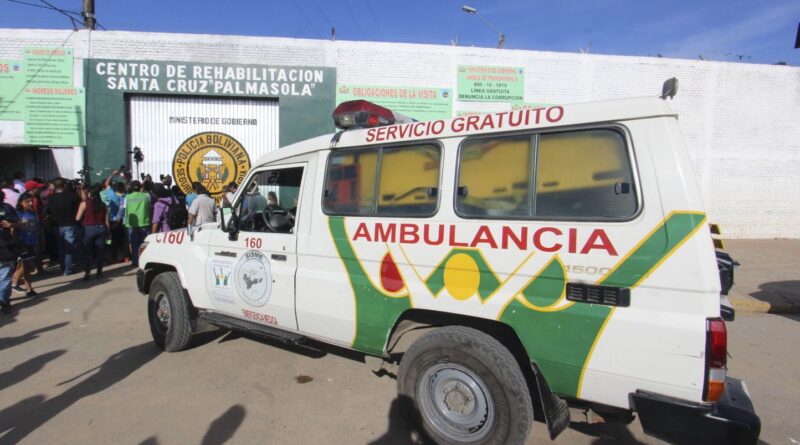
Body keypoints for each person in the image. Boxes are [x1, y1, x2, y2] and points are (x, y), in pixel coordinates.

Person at [45, 180, 82, 276]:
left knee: (61, 247)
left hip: (56, 225)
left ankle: (64, 267)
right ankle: (68, 269)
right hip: (71, 224)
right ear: (64, 185)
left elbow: (45, 212)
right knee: (69, 247)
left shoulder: (51, 198)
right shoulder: (73, 197)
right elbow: (80, 208)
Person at [77, 184, 109, 280]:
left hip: (89, 229)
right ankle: (99, 272)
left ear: (90, 194)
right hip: (101, 228)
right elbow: (106, 220)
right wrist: (108, 232)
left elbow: (77, 218)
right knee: (100, 251)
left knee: (87, 252)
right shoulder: (103, 205)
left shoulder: (84, 204)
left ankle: (87, 272)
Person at [11, 193, 38, 296]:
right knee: (26, 266)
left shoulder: (33, 214)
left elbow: (37, 229)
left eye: (31, 201)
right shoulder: (17, 214)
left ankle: (15, 282)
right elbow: (12, 229)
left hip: (32, 242)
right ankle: (29, 288)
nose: (30, 203)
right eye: (27, 201)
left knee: (27, 266)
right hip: (22, 243)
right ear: (21, 202)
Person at [0, 189, 22, 314]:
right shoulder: (7, 208)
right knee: (5, 275)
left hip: (6, 246)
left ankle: (3, 300)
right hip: (6, 246)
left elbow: (17, 224)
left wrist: (10, 225)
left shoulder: (7, 208)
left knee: (5, 274)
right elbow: (18, 224)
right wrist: (11, 225)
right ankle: (3, 300)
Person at [121, 180, 150, 267]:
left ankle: (135, 261)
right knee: (145, 244)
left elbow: (124, 209)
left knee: (134, 244)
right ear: (140, 187)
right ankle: (146, 261)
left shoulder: (127, 197)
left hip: (131, 224)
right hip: (144, 222)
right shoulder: (146, 196)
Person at [107, 181, 128, 263]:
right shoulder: (126, 197)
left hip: (114, 221)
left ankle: (113, 258)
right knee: (124, 240)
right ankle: (127, 257)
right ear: (122, 188)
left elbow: (107, 184)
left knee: (114, 241)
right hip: (124, 221)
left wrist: (112, 174)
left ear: (115, 188)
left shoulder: (112, 195)